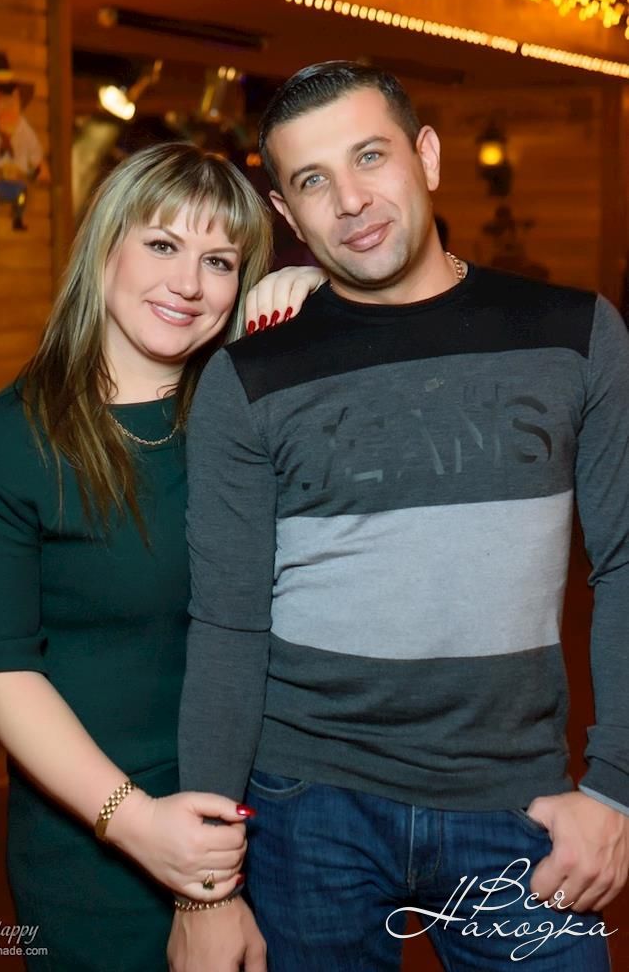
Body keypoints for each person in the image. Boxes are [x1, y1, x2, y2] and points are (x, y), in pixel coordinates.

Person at [174, 63, 629, 971]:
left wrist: (617, 789)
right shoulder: (249, 375)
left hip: (516, 803)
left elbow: (623, 562)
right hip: (307, 808)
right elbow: (227, 623)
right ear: (288, 213)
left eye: (370, 156)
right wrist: (207, 888)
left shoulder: (575, 333)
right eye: (314, 181)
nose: (350, 200)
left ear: (427, 156)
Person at [0, 140, 321, 971]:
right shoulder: (6, 442)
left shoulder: (253, 421)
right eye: (162, 244)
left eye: (219, 261)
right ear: (105, 247)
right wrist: (138, 824)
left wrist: (331, 298)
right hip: (100, 834)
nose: (188, 283)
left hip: (278, 817)